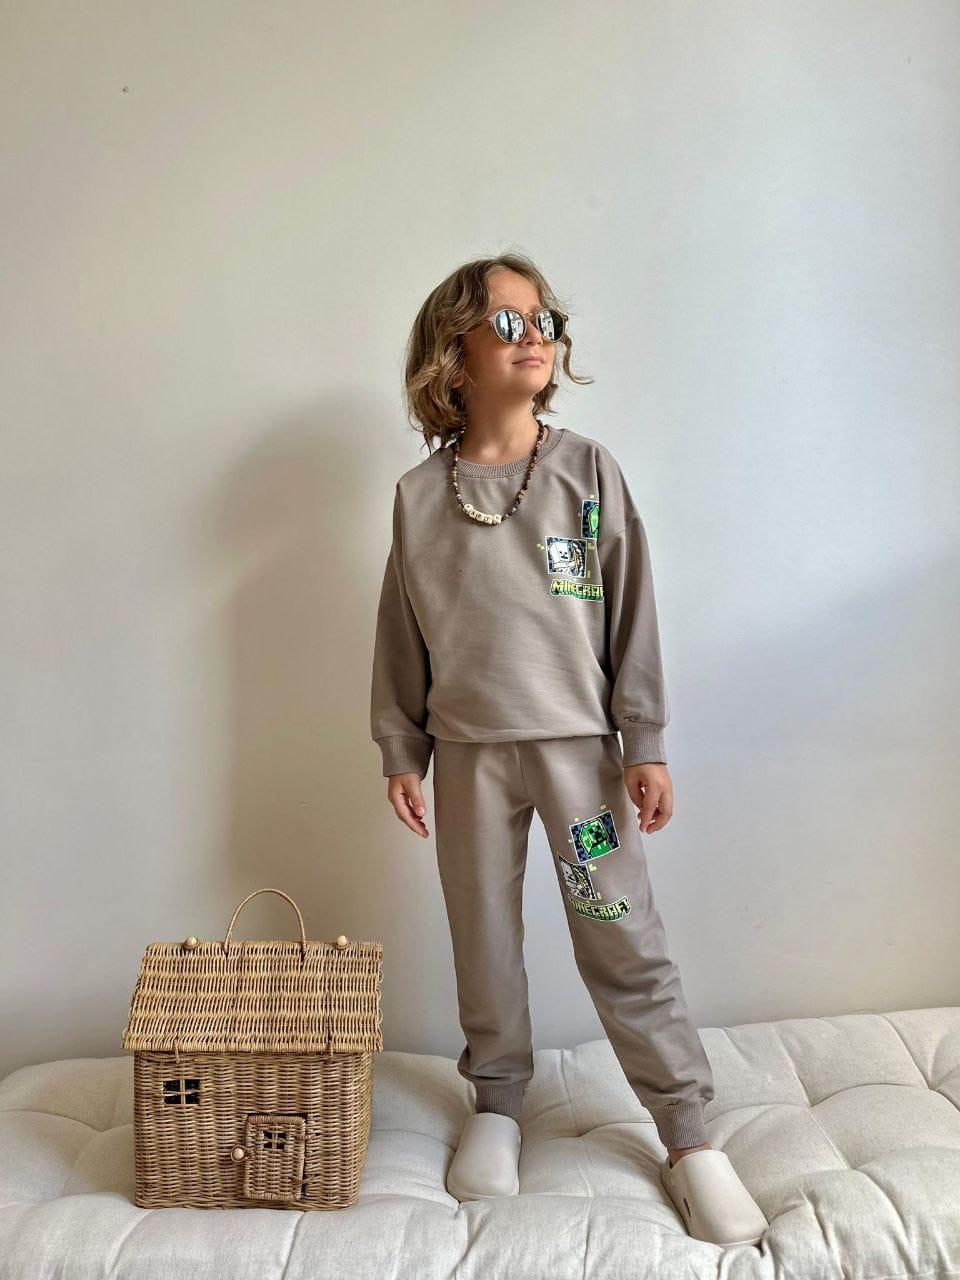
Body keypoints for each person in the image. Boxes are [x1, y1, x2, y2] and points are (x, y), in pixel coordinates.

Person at [369, 252, 768, 1247]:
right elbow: (399, 630)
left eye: (543, 318)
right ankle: (497, 1100)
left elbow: (632, 610)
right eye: (507, 322)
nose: (535, 335)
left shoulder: (587, 470)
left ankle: (686, 1132)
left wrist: (646, 738)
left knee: (620, 934)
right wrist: (399, 747)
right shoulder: (419, 497)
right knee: (482, 935)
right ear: (453, 355)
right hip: (467, 754)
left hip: (579, 755)